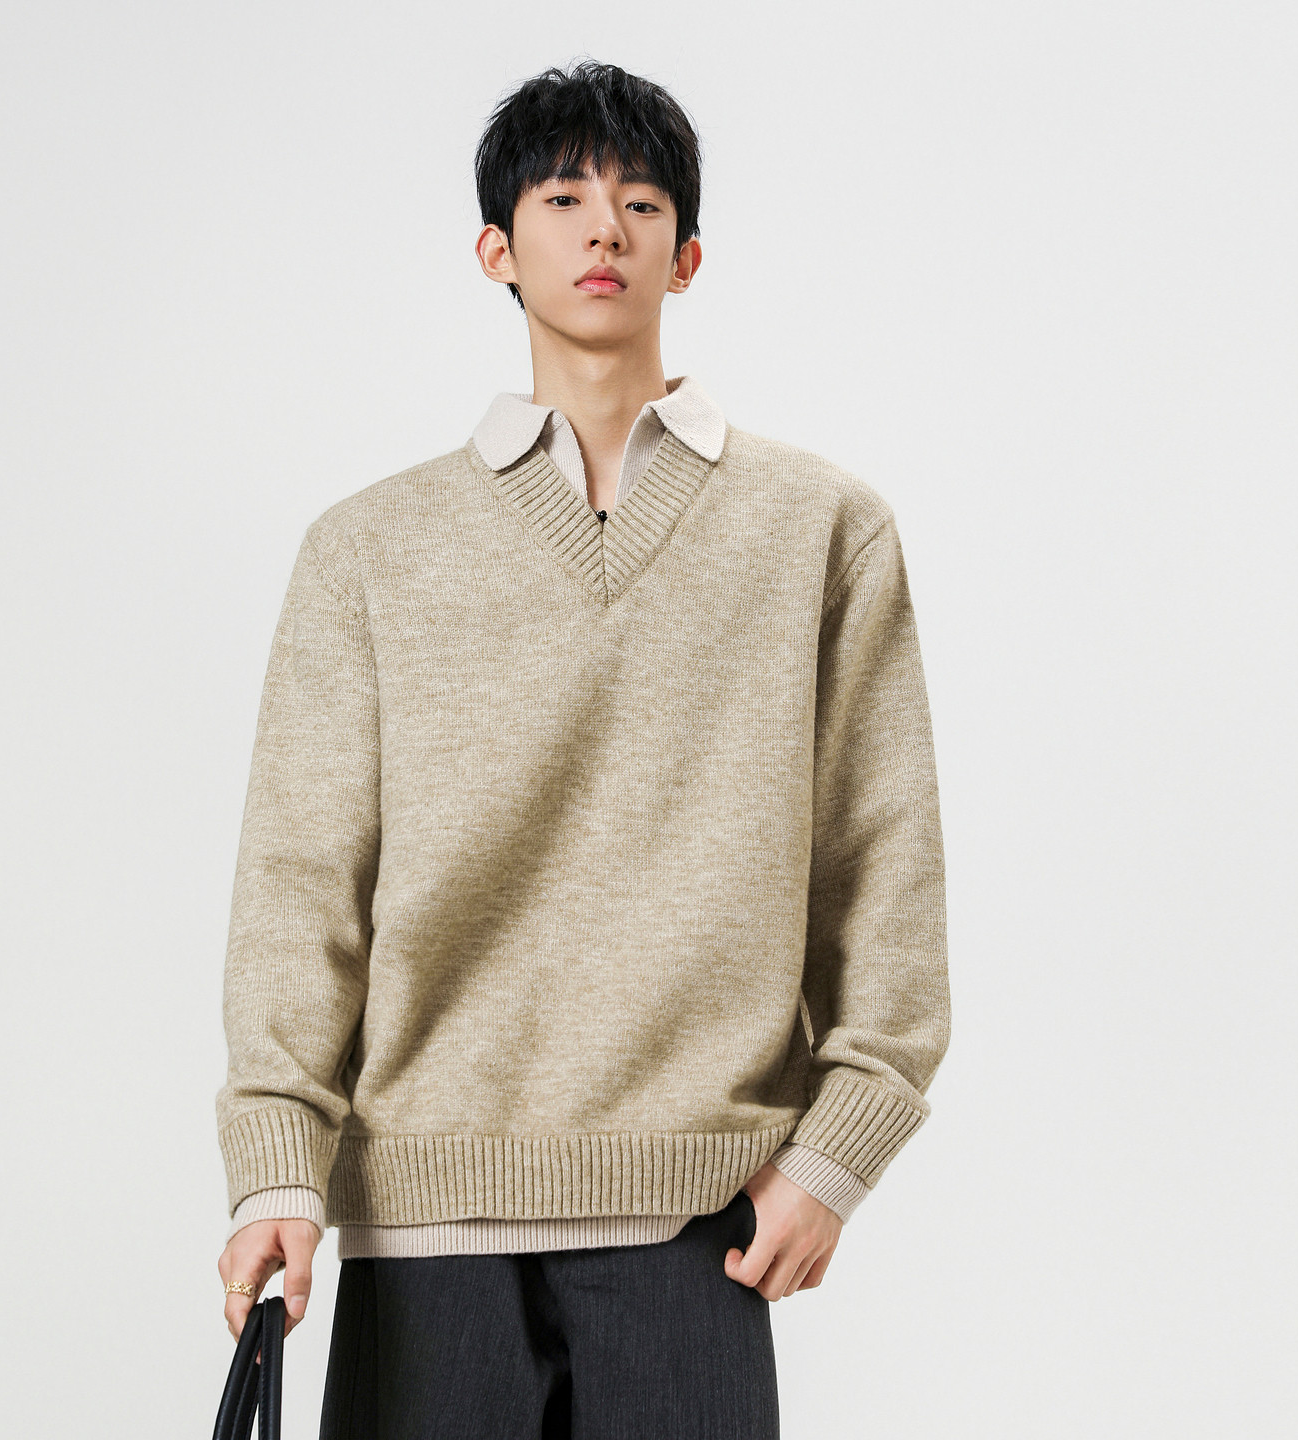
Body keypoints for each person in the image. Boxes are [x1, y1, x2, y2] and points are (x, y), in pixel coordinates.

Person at [215, 59, 950, 1438]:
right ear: (496, 249)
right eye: (562, 198)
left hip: (698, 1224)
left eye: (641, 201)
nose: (604, 227)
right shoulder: (370, 549)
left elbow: (884, 866)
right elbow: (300, 886)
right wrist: (276, 1169)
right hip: (423, 1228)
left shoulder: (818, 528)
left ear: (688, 254)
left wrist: (833, 1160)